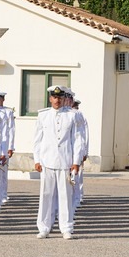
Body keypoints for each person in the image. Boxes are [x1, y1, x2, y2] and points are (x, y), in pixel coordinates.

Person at [32, 86, 85, 239]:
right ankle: (44, 227)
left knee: (65, 196)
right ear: (50, 99)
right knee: (46, 195)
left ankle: (66, 227)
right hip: (47, 160)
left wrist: (76, 161)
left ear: (64, 99)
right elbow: (37, 140)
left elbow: (78, 140)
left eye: (60, 97)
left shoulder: (72, 115)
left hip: (65, 161)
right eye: (54, 97)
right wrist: (37, 160)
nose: (57, 100)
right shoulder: (43, 115)